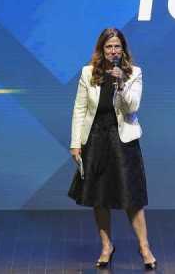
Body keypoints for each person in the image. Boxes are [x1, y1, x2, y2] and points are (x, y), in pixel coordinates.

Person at [68, 27, 157, 270]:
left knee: (131, 197)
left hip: (122, 141)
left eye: (117, 46)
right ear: (102, 49)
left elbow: (132, 107)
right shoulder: (88, 73)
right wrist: (75, 143)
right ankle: (106, 246)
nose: (113, 51)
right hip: (95, 139)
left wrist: (121, 83)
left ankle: (144, 247)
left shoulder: (133, 73)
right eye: (109, 47)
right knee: (99, 197)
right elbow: (80, 109)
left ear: (123, 49)